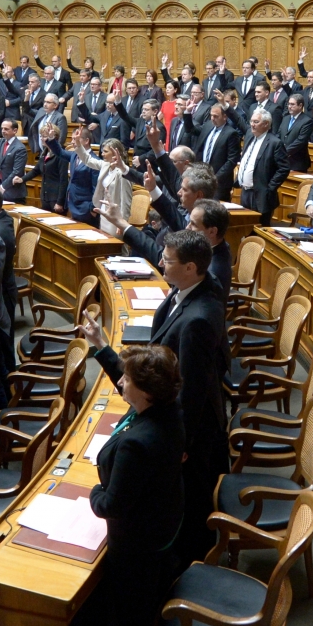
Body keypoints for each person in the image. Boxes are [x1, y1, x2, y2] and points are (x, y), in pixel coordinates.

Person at [85, 229, 226, 562]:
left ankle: (187, 566)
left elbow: (190, 391)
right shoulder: (190, 290)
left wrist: (178, 444)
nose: (160, 261)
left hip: (192, 436)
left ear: (191, 267)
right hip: (173, 424)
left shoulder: (198, 321)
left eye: (168, 259)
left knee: (183, 509)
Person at [80, 343, 186, 626]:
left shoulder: (137, 445)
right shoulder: (169, 410)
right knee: (143, 603)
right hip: (162, 523)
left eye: (126, 379)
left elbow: (111, 505)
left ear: (144, 391)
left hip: (136, 546)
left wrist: (94, 490)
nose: (120, 382)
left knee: (133, 615)